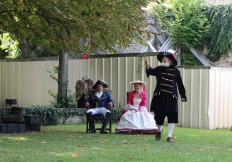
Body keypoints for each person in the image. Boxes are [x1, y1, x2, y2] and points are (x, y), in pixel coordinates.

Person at [145, 49, 187, 142]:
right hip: (160, 97)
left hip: (172, 97)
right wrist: (147, 66)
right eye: (163, 58)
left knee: (172, 116)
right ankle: (159, 130)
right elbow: (150, 71)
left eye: (166, 58)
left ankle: (169, 136)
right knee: (158, 117)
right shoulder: (159, 69)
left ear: (170, 60)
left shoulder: (176, 71)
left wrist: (183, 95)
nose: (164, 59)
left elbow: (180, 84)